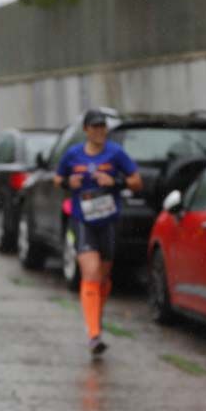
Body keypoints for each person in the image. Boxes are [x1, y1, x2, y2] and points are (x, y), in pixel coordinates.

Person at [53, 109, 143, 355]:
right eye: (94, 127)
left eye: (102, 127)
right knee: (90, 273)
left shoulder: (115, 153)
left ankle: (96, 319)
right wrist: (67, 183)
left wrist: (115, 182)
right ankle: (94, 334)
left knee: (102, 278)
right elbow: (57, 178)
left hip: (108, 222)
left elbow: (137, 181)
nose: (99, 131)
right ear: (86, 130)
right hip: (83, 221)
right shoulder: (73, 155)